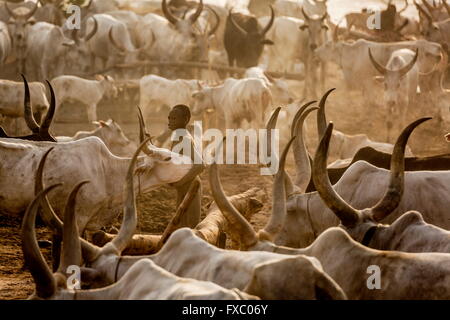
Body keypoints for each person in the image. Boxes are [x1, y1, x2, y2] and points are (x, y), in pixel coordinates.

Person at [167, 104, 204, 228]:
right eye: (169, 118)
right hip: (183, 188)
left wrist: (181, 181)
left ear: (186, 119)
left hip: (191, 187)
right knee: (180, 227)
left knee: (191, 228)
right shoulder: (177, 137)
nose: (169, 122)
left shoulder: (184, 138)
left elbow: (200, 165)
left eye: (174, 119)